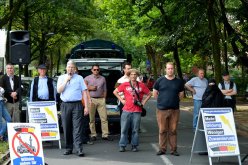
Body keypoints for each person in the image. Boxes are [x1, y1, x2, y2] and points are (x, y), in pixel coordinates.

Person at [113, 69, 151, 152]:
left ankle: (134, 145)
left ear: (137, 76)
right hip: (126, 110)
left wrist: (144, 102)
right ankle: (122, 145)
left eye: (135, 74)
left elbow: (149, 94)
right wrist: (121, 100)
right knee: (124, 129)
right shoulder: (125, 84)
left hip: (137, 111)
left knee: (135, 130)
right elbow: (115, 91)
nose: (133, 76)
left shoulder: (141, 85)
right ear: (129, 76)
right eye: (131, 74)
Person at [57, 60, 89, 157]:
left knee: (77, 127)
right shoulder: (62, 77)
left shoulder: (79, 78)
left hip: (77, 105)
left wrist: (86, 106)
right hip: (65, 105)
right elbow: (59, 90)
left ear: (75, 69)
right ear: (66, 68)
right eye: (69, 67)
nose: (70, 69)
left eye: (72, 67)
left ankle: (79, 148)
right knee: (66, 127)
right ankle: (68, 148)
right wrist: (66, 80)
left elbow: (84, 92)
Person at [153, 62, 184, 156]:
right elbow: (155, 93)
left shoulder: (179, 81)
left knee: (173, 130)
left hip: (175, 110)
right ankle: (162, 149)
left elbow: (181, 95)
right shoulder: (159, 80)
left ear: (173, 69)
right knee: (162, 130)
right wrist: (162, 101)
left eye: (172, 68)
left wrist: (173, 101)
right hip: (162, 110)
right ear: (165, 69)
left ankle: (173, 150)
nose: (170, 70)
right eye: (168, 68)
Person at [84, 64, 112, 141]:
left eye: (97, 69)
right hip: (91, 100)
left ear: (99, 70)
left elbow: (105, 89)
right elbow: (83, 89)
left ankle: (105, 135)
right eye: (94, 69)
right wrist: (90, 88)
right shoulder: (87, 78)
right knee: (91, 119)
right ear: (91, 70)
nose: (96, 71)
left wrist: (104, 98)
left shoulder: (103, 78)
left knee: (104, 118)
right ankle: (93, 134)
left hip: (101, 99)